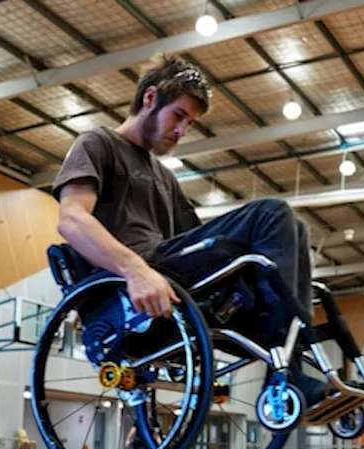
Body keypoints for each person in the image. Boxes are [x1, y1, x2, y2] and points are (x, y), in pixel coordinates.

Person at [52, 53, 326, 404]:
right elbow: (71, 219)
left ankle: (284, 355)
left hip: (172, 269)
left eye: (190, 124)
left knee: (294, 230)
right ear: (149, 98)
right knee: (272, 213)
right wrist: (134, 269)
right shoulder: (98, 144)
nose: (182, 131)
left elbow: (205, 243)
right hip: (134, 273)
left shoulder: (164, 177)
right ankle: (286, 370)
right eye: (178, 116)